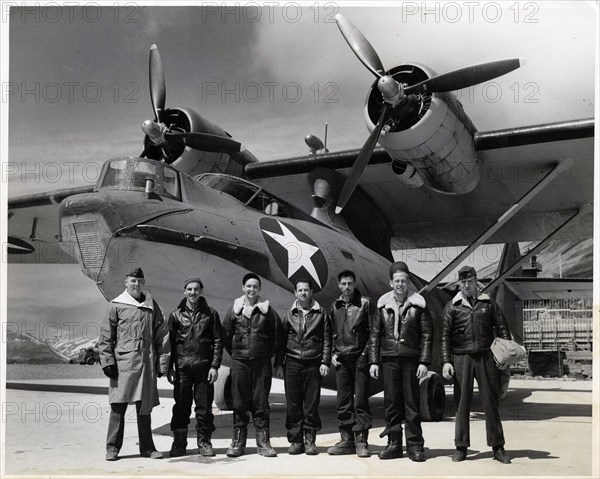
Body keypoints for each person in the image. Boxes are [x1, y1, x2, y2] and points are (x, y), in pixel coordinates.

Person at [98, 267, 170, 461]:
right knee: (118, 407)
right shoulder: (116, 305)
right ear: (126, 283)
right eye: (132, 281)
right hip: (123, 365)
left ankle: (147, 448)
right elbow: (105, 336)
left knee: (144, 407)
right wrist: (107, 362)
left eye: (139, 281)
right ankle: (112, 448)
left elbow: (162, 335)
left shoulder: (151, 305)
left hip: (146, 364)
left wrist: (162, 363)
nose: (136, 285)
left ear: (143, 283)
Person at [441, 265, 512, 464]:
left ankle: (498, 446)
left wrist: (505, 355)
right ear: (459, 283)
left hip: (485, 357)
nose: (466, 285)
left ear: (475, 281)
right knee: (462, 403)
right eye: (462, 282)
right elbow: (445, 337)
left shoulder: (488, 304)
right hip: (461, 358)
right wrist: (446, 361)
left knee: (490, 401)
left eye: (469, 282)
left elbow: (502, 329)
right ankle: (461, 447)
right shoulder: (452, 306)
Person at [368, 261, 432, 462]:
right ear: (390, 283)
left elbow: (427, 335)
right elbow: (374, 336)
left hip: (410, 360)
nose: (400, 285)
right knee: (391, 403)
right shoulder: (382, 307)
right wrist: (374, 362)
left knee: (411, 403)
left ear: (408, 282)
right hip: (389, 360)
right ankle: (393, 444)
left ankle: (414, 446)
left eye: (403, 281)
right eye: (396, 281)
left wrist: (424, 362)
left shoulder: (418, 306)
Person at [221, 272, 282, 457]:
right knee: (239, 402)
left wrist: (272, 358)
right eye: (248, 286)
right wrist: (237, 354)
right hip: (240, 363)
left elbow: (279, 337)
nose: (252, 289)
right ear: (243, 288)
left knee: (261, 403)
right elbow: (225, 335)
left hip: (262, 364)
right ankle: (238, 442)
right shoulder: (234, 311)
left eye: (255, 286)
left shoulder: (268, 311)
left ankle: (263, 443)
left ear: (259, 289)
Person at [275, 278, 332, 455]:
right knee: (293, 404)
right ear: (295, 293)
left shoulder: (321, 314)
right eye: (300, 290)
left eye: (306, 290)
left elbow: (327, 340)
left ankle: (309, 440)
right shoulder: (288, 314)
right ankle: (295, 440)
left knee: (311, 404)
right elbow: (281, 342)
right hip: (292, 363)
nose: (303, 293)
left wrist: (325, 361)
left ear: (311, 292)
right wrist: (278, 364)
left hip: (313, 363)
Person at [167, 277, 223, 457]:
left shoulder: (211, 314)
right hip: (182, 368)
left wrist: (214, 366)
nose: (193, 293)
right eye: (189, 289)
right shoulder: (175, 315)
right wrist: (170, 368)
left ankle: (204, 442)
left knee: (204, 408)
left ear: (201, 291)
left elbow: (217, 341)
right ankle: (179, 443)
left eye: (196, 289)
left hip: (204, 369)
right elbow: (170, 345)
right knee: (181, 406)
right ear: (184, 291)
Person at [327, 270, 374, 457]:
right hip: (342, 361)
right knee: (343, 402)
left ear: (354, 284)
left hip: (360, 358)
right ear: (339, 285)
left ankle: (361, 440)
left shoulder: (365, 303)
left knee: (361, 400)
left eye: (350, 283)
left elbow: (373, 333)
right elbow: (330, 332)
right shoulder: (335, 306)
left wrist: (365, 355)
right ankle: (347, 440)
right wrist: (332, 353)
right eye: (343, 284)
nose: (347, 287)